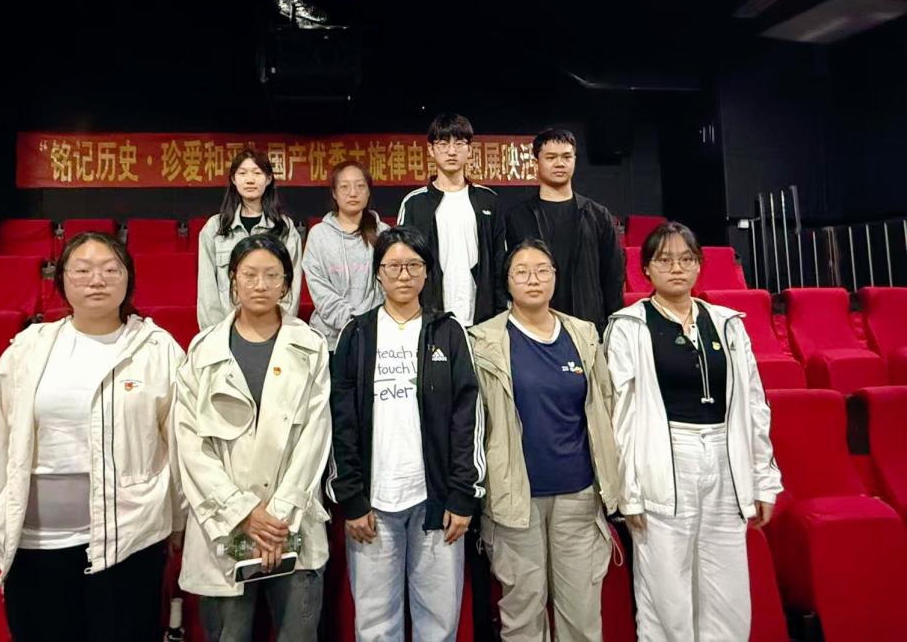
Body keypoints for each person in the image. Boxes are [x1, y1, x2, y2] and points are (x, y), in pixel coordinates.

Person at [0, 232, 186, 642]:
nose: (97, 280)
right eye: (82, 270)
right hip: (35, 545)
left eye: (110, 270)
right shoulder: (28, 349)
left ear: (128, 278)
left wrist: (178, 520)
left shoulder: (158, 350)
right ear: (62, 280)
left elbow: (177, 444)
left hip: (129, 540)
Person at [604, 222, 782, 640]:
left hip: (724, 457)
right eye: (664, 260)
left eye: (686, 259)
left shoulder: (726, 323)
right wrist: (628, 490)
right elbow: (620, 416)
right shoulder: (630, 326)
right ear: (645, 269)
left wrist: (763, 479)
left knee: (727, 589)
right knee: (665, 592)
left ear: (699, 265)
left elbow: (754, 405)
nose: (677, 268)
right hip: (665, 458)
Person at [326, 226, 486, 642]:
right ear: (378, 273)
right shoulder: (356, 334)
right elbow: (340, 421)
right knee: (375, 626)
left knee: (439, 624)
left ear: (427, 272)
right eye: (393, 265)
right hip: (373, 505)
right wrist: (351, 497)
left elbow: (467, 416)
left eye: (413, 265)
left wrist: (463, 494)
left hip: (436, 503)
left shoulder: (448, 332)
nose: (403, 274)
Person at [175, 233, 331, 642]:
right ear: (233, 280)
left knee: (298, 634)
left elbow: (315, 436)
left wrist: (277, 517)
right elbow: (189, 443)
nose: (260, 285)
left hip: (291, 521)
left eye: (272, 275)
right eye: (249, 274)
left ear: (287, 284)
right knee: (228, 635)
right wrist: (243, 512)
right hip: (225, 523)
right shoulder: (203, 349)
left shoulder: (310, 345)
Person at [469, 238, 620, 641]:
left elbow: (604, 404)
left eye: (542, 270)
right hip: (515, 499)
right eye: (521, 272)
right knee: (522, 613)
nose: (533, 279)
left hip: (578, 494)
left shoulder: (583, 335)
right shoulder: (483, 341)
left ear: (555, 277)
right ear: (507, 281)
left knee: (582, 615)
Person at [505, 127, 623, 333]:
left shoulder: (598, 215)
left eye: (566, 157)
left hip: (588, 325)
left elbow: (613, 276)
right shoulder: (518, 216)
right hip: (534, 327)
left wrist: (613, 327)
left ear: (575, 160)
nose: (560, 163)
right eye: (551, 157)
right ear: (536, 162)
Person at [397, 112, 507, 326]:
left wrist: (501, 316)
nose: (451, 151)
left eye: (459, 143)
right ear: (431, 149)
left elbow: (500, 262)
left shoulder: (488, 201)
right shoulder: (414, 203)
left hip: (482, 320)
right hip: (429, 319)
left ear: (470, 149)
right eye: (443, 143)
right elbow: (402, 262)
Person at [197, 147, 303, 329]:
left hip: (274, 329)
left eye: (257, 173)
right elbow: (207, 291)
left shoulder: (284, 228)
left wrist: (280, 330)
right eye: (243, 173)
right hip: (227, 329)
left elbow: (292, 287)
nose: (250, 180)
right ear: (233, 179)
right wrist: (216, 334)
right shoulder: (215, 228)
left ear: (268, 179)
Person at [302, 160, 390, 351]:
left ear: (368, 191)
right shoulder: (319, 235)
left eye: (360, 186)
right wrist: (351, 322)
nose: (353, 193)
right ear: (334, 193)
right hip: (330, 341)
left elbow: (388, 285)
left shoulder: (383, 233)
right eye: (344, 187)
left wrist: (368, 323)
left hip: (375, 335)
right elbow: (319, 287)